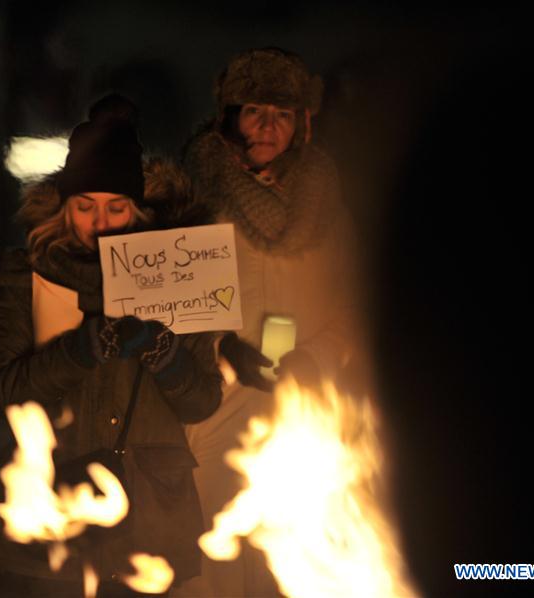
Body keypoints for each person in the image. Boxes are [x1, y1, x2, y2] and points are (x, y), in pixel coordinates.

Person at [0, 94, 222, 596]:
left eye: (116, 207)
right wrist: (76, 352)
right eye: (85, 206)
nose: (101, 222)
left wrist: (166, 357)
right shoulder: (29, 274)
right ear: (64, 206)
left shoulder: (180, 273)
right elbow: (0, 391)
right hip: (54, 509)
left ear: (137, 208)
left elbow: (202, 401)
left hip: (152, 517)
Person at [174, 48, 367, 597]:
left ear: (300, 124)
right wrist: (220, 348)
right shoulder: (192, 195)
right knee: (217, 557)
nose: (266, 126)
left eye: (281, 114)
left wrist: (315, 357)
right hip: (215, 409)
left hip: (302, 408)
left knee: (291, 561)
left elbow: (350, 304)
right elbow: (164, 304)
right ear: (230, 116)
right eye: (254, 110)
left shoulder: (327, 205)